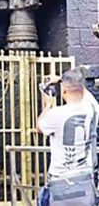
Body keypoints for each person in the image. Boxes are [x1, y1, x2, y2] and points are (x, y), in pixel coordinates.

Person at [37, 70, 97, 206]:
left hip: (60, 182)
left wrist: (47, 105)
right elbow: (86, 93)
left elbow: (39, 127)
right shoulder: (91, 109)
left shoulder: (55, 114)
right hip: (84, 181)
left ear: (63, 91)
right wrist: (65, 80)